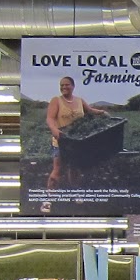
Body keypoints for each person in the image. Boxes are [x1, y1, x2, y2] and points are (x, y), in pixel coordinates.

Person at [43, 75, 95, 203]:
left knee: (74, 167)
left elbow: (90, 110)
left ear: (73, 86)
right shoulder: (56, 100)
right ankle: (49, 199)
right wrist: (54, 129)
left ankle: (76, 193)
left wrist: (101, 112)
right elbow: (50, 118)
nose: (64, 87)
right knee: (57, 169)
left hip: (77, 140)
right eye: (62, 85)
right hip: (61, 139)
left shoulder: (79, 100)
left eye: (67, 84)